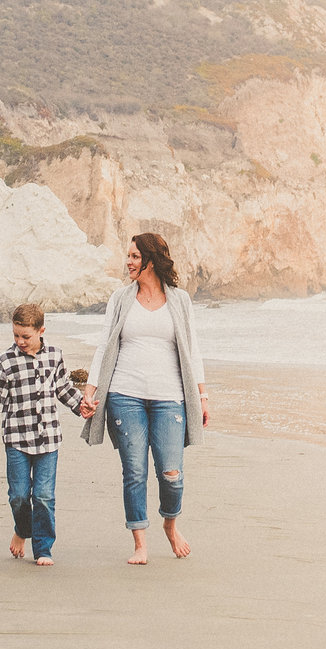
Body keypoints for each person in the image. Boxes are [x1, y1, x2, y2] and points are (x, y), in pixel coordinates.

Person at [80, 232, 210, 564]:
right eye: (128, 256)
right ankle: (140, 541)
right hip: (125, 394)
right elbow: (104, 347)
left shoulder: (179, 300)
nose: (128, 262)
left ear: (151, 260)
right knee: (134, 470)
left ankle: (170, 523)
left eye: (135, 257)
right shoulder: (120, 299)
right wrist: (90, 392)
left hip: (170, 397)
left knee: (171, 473)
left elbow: (192, 351)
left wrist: (202, 395)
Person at [0, 302, 88, 566]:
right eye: (16, 335)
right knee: (19, 495)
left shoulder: (55, 356)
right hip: (17, 439)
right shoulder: (4, 362)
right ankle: (22, 529)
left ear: (41, 330)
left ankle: (43, 548)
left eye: (26, 336)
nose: (20, 341)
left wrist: (82, 407)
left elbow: (64, 389)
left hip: (48, 439)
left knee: (44, 496)